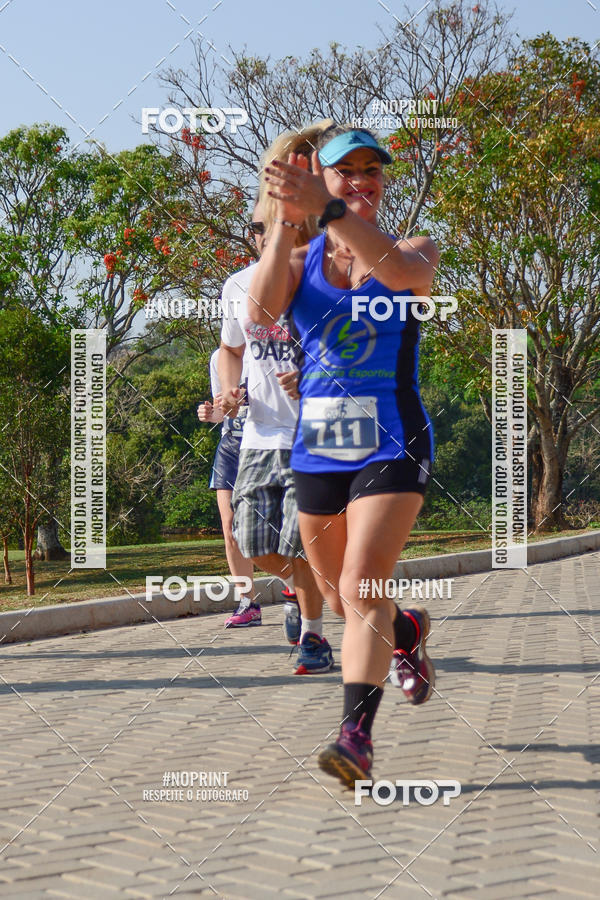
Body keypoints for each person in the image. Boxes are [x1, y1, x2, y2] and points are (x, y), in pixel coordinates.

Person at [248, 122, 440, 786]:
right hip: (320, 448)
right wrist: (285, 220)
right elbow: (261, 310)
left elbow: (405, 274)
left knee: (361, 587)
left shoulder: (412, 248)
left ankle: (354, 734)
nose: (362, 182)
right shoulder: (299, 267)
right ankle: (404, 629)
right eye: (345, 172)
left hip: (394, 439)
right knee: (337, 599)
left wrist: (325, 208)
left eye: (372, 172)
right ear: (321, 179)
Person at [219, 169, 334, 673]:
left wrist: (314, 372)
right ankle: (299, 586)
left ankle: (314, 635)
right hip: (260, 434)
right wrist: (229, 391)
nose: (269, 231)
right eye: (261, 226)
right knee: (253, 542)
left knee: (304, 542)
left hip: (315, 434)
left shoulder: (330, 272)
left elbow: (361, 349)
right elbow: (230, 348)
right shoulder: (238, 285)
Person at [197, 349, 255, 626]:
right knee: (230, 525)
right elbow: (222, 412)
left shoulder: (268, 347)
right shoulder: (218, 357)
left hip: (266, 443)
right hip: (231, 444)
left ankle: (299, 590)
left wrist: (248, 397)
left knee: (278, 525)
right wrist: (210, 414)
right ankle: (247, 602)